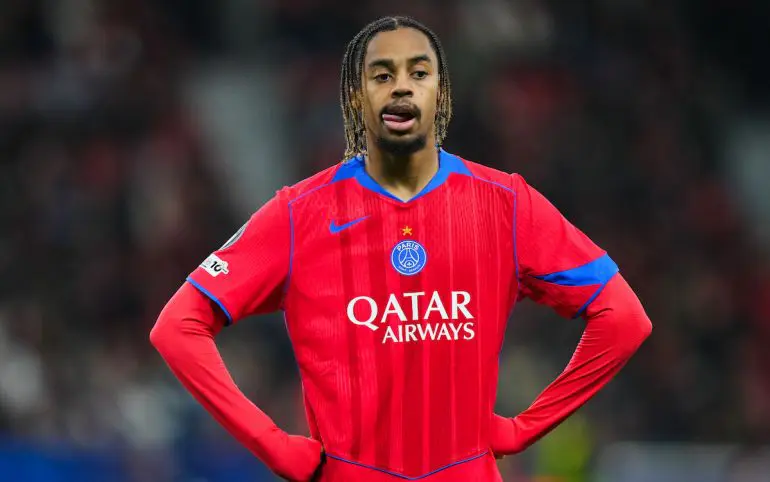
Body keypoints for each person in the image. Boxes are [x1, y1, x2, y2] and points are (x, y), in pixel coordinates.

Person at [150, 15, 652, 482]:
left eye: (419, 72)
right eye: (382, 75)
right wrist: (274, 445)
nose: (402, 87)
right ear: (354, 97)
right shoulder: (298, 214)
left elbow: (623, 318)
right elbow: (178, 327)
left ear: (441, 93)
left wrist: (526, 427)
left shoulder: (506, 204)